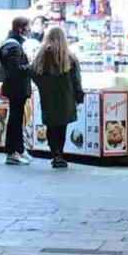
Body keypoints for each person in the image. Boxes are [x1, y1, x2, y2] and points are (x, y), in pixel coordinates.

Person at [31, 26, 85, 169]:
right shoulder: (70, 57)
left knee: (51, 125)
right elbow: (76, 79)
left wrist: (43, 86)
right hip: (65, 96)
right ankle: (60, 154)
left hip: (48, 96)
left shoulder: (41, 55)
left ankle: (54, 154)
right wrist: (79, 95)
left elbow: (33, 72)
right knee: (62, 125)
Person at [0, 16, 33, 166]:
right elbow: (15, 70)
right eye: (28, 27)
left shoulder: (12, 43)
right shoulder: (13, 47)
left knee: (17, 120)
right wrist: (31, 67)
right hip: (16, 88)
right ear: (20, 28)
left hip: (16, 88)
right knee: (15, 120)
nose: (30, 30)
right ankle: (12, 151)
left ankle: (18, 149)